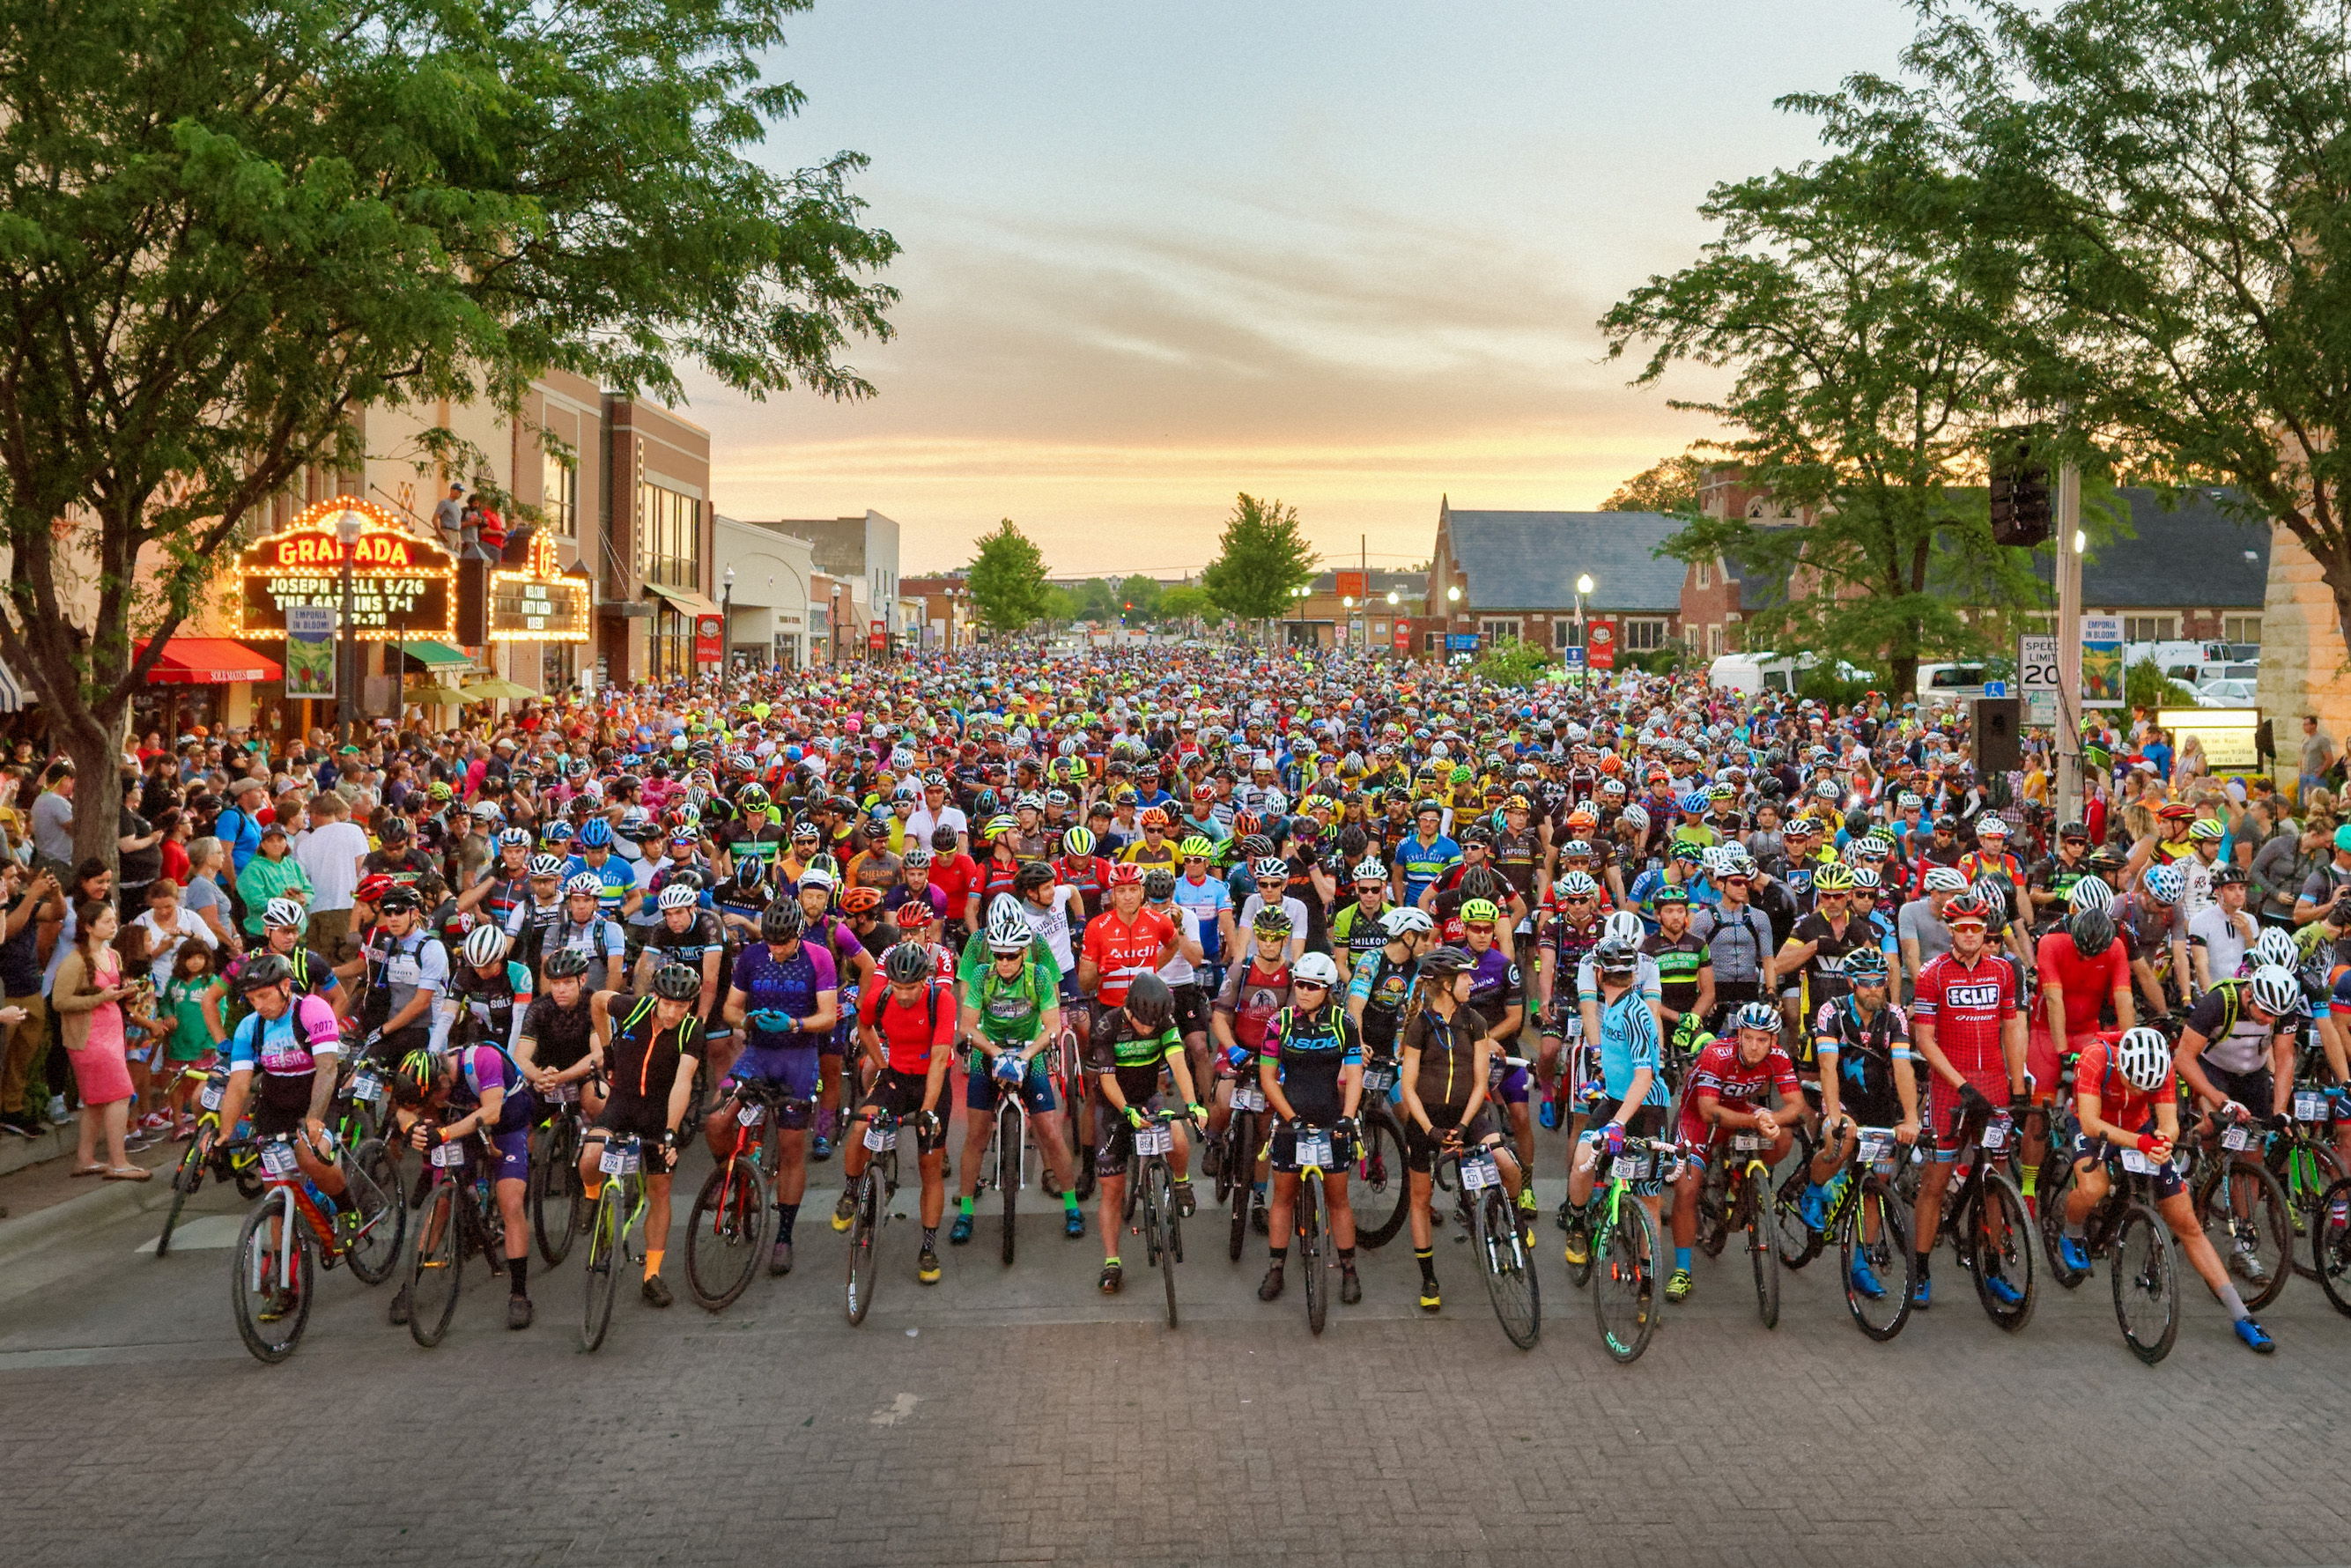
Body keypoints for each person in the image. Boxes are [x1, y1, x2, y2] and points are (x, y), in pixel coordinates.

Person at [2053, 1026, 2275, 1352]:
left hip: (2138, 1127)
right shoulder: (2096, 1057)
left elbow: (2169, 1122)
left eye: (2147, 1088)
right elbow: (2090, 1122)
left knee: (2187, 1224)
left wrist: (2163, 1142)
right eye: (2133, 1084)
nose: (2138, 1091)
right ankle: (2071, 1232)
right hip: (2096, 1125)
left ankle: (2241, 1314)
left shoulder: (2163, 1068)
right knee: (2093, 1187)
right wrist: (2141, 1142)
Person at [210, 953, 350, 1322]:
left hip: (317, 1094)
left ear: (286, 986)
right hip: (277, 1101)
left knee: (309, 1156)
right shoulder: (250, 1027)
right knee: (277, 1191)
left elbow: (327, 1068)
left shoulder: (313, 1010)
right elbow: (239, 1085)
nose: (258, 1005)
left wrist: (314, 1119)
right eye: (251, 999)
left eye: (264, 996)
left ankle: (347, 1208)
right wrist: (225, 1133)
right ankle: (287, 1285)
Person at [1907, 890, 2028, 1310]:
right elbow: (1925, 1039)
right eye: (1963, 929)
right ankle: (1921, 1270)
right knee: (1936, 1180)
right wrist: (1960, 1085)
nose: (1971, 935)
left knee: (1994, 1180)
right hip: (1950, 1087)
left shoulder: (2003, 971)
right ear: (1951, 930)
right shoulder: (1932, 974)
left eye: (1978, 928)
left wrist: (2018, 1085)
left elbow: (2012, 1027)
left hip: (1993, 1083)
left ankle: (1993, 1267)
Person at [573, 962, 707, 1308]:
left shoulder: (691, 1031)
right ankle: (591, 1195)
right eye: (667, 1004)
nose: (673, 1013)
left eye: (681, 1006)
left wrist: (670, 1134)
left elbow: (683, 1083)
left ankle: (652, 1274)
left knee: (660, 1191)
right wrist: (607, 1050)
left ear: (690, 1004)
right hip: (622, 1101)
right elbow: (598, 1001)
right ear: (656, 998)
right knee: (590, 1157)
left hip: (659, 1112)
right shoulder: (634, 1008)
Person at [950, 897, 1083, 1245]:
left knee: (1050, 1132)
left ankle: (1071, 1206)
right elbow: (967, 1025)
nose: (1005, 962)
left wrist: (1024, 1056)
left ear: (1024, 952)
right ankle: (966, 1210)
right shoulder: (981, 974)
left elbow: (1052, 1026)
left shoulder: (1039, 974)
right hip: (989, 1050)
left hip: (1029, 1051)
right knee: (976, 1136)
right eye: (999, 955)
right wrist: (995, 1053)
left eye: (1011, 956)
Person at [717, 899, 839, 1276]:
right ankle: (731, 1174)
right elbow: (730, 1008)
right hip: (758, 1054)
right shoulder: (752, 957)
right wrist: (747, 1020)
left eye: (783, 942)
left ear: (798, 935)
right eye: (770, 940)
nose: (776, 948)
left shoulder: (819, 958)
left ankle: (784, 1235)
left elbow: (828, 1017)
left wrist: (795, 1025)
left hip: (798, 1059)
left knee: (790, 1148)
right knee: (716, 1120)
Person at [1395, 944, 1514, 1311]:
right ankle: (1429, 1278)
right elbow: (1408, 1088)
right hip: (1426, 1120)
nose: (1470, 982)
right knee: (1421, 1199)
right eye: (1464, 977)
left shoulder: (1474, 1021)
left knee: (1507, 1164)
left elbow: (1480, 1083)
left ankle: (1510, 1216)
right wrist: (1430, 1130)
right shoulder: (1419, 1026)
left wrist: (1463, 1126)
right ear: (1446, 984)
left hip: (1468, 1114)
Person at [835, 943, 956, 1285]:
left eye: (911, 988)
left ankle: (928, 1248)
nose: (903, 995)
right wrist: (883, 1064)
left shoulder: (941, 1001)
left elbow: (939, 1059)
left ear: (925, 981)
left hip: (931, 1082)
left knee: (930, 1165)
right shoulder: (880, 997)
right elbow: (864, 1027)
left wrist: (928, 1111)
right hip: (896, 1078)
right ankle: (850, 1191)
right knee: (861, 1127)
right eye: (897, 987)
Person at [1253, 949, 1364, 1305]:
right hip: (1291, 1121)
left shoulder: (1344, 1023)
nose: (1303, 991)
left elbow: (1355, 1075)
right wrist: (1290, 1117)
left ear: (1327, 989)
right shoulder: (1279, 1023)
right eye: (1299, 984)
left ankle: (1349, 1270)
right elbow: (1268, 1078)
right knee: (1283, 1198)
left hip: (1332, 1118)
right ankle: (1276, 1269)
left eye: (1312, 986)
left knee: (1338, 1199)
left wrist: (1348, 1117)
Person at [1083, 972, 1204, 1295]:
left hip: (1148, 1096)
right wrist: (1127, 1111)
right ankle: (1112, 1261)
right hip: (1115, 1105)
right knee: (1112, 1188)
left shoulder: (1164, 1021)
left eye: (1154, 1024)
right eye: (1142, 1023)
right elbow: (1107, 1080)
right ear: (1130, 1009)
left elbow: (1178, 1062)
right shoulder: (1107, 1026)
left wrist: (1193, 1104)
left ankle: (1181, 1183)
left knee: (1178, 1134)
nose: (1149, 1029)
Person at [53, 899, 146, 1180]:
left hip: (112, 1033)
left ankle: (86, 1159)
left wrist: (125, 992)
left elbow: (111, 992)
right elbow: (59, 1001)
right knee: (120, 1094)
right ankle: (118, 1162)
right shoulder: (75, 961)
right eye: (106, 921)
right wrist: (100, 998)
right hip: (89, 1039)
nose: (113, 925)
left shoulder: (113, 955)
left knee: (94, 1100)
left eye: (113, 920)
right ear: (89, 927)